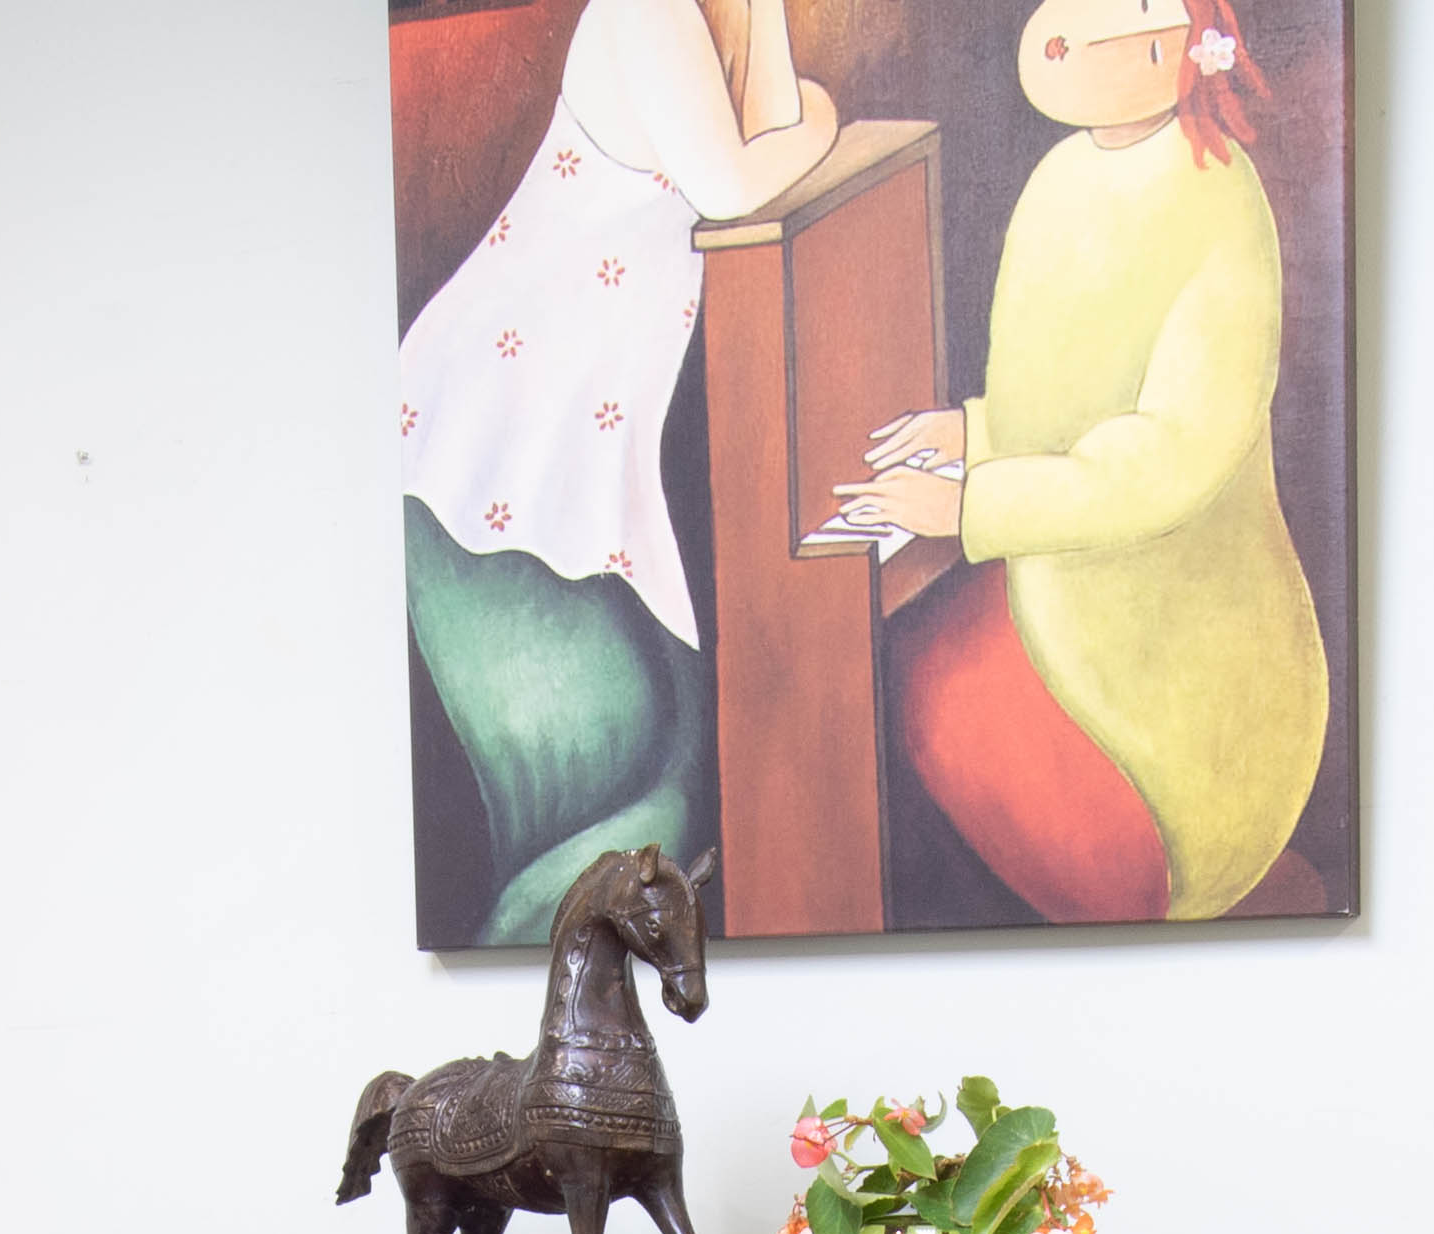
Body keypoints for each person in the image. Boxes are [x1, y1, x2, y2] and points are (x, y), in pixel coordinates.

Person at [842, 0, 1326, 924]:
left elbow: (1168, 455)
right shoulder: (1064, 169)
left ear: (1183, 43)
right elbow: (1064, 405)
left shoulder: (1219, 199)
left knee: (929, 691)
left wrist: (972, 505)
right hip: (1059, 589)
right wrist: (972, 433)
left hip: (1171, 706)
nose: (1066, 29)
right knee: (892, 676)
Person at [401, 0, 837, 944]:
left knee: (678, 778)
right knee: (616, 812)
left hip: (583, 464)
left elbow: (767, 135)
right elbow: (732, 184)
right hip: (482, 466)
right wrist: (825, 119)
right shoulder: (646, 10)